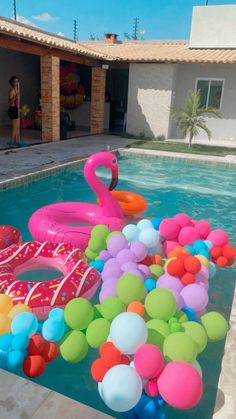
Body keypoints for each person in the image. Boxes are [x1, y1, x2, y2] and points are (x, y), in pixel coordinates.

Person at [8, 76, 20, 145]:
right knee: (15, 128)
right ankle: (12, 142)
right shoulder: (12, 90)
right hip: (13, 110)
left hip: (16, 109)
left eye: (17, 81)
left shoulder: (17, 89)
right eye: (15, 81)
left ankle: (17, 141)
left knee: (17, 127)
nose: (16, 83)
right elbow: (9, 102)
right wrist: (15, 97)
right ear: (12, 83)